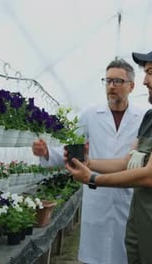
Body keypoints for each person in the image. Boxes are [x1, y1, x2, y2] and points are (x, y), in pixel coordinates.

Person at [65, 46, 152, 264]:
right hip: (141, 216)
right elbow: (126, 162)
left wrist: (93, 178)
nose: (144, 81)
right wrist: (87, 163)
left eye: (150, 72)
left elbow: (151, 176)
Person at [32, 58, 145, 264]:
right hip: (97, 194)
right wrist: (47, 152)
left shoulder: (143, 117)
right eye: (108, 80)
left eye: (118, 81)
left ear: (131, 86)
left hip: (128, 196)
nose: (111, 86)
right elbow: (72, 149)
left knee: (126, 255)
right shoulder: (90, 115)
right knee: (96, 256)